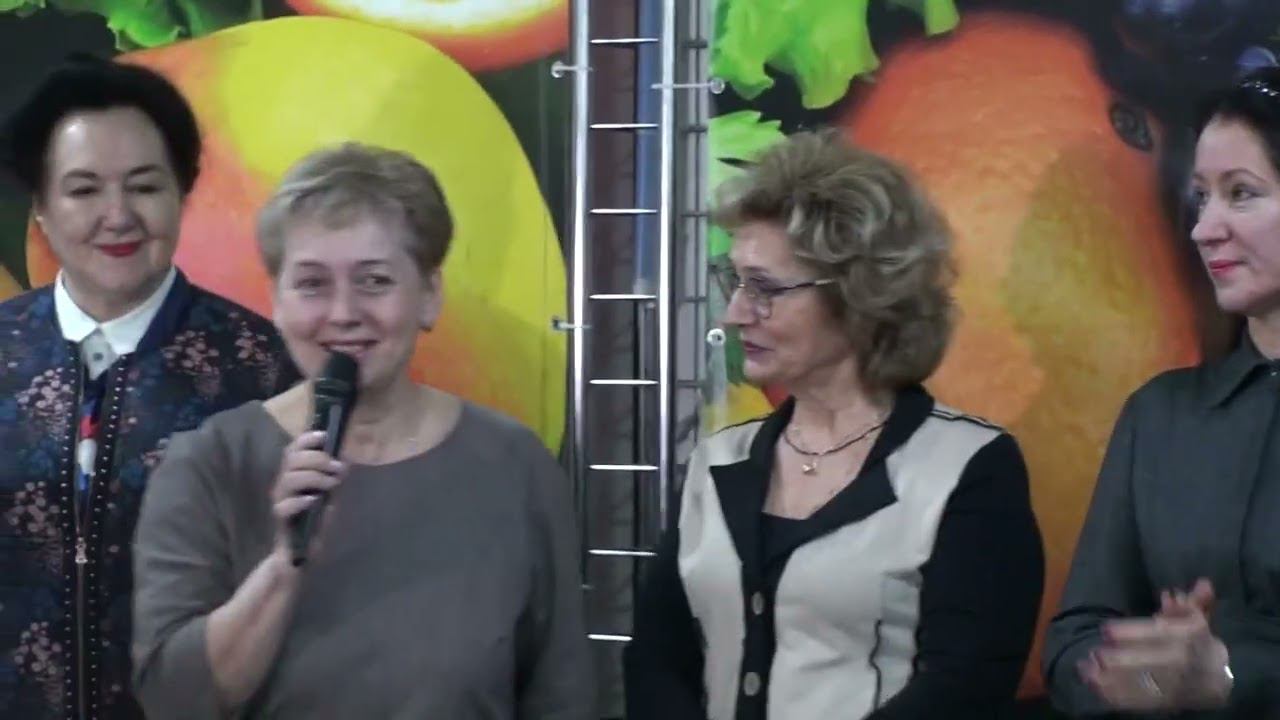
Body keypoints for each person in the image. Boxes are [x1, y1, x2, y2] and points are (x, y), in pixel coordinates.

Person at [129, 142, 594, 719]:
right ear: (276, 301)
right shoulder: (210, 464)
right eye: (312, 284)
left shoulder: (515, 466)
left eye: (374, 281)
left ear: (429, 296)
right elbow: (173, 701)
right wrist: (283, 568)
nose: (344, 313)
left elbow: (563, 694)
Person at [623, 129, 1045, 719]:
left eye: (765, 288)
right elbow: (656, 660)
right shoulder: (717, 461)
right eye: (734, 280)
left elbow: (964, 688)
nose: (736, 312)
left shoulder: (968, 468)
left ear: (859, 296)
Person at [0, 55, 296, 719]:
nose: (118, 216)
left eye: (144, 187)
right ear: (40, 207)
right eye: (83, 191)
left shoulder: (261, 367)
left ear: (182, 193)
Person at [1043, 67, 1280, 719]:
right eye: (1201, 197)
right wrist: (1135, 675)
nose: (1204, 228)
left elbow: (1229, 673)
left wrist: (1229, 675)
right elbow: (1072, 641)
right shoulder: (1159, 416)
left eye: (1241, 193)